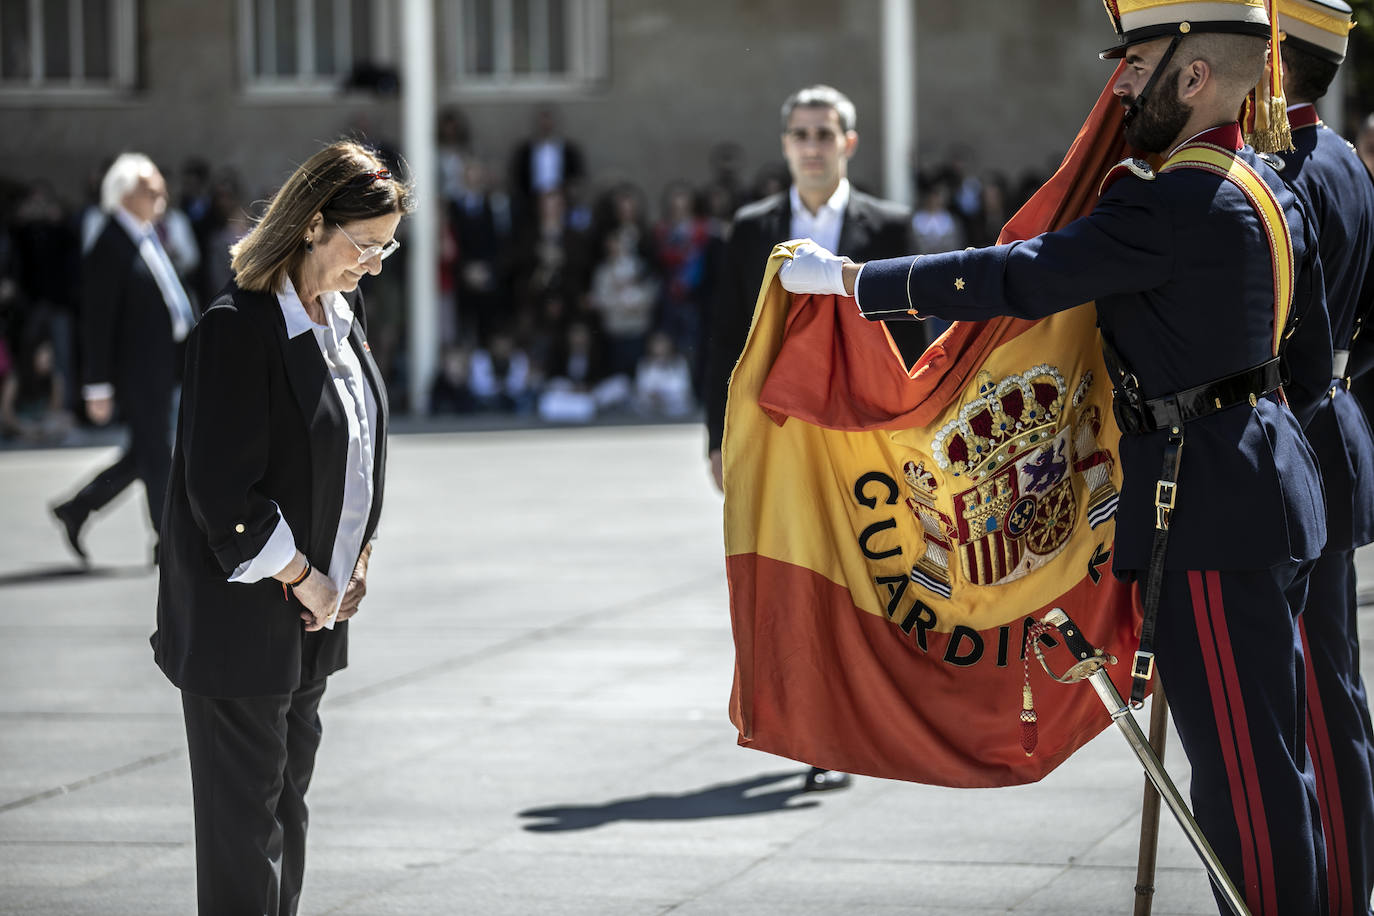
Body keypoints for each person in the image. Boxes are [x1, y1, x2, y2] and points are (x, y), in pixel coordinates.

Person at [781, 5, 1331, 912]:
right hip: (1266, 480)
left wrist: (850, 281)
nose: (1118, 83)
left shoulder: (1169, 198)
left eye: (1139, 64)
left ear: (1191, 79)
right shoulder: (1263, 181)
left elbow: (1019, 275)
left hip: (1209, 506)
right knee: (1274, 760)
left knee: (1244, 778)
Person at [152, 140, 412, 916]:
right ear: (311, 226)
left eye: (387, 248)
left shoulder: (342, 308)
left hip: (313, 615)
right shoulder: (237, 327)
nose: (373, 265)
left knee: (285, 814)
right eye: (365, 246)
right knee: (243, 831)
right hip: (244, 619)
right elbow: (220, 489)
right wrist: (305, 575)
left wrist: (359, 555)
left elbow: (357, 447)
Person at [705, 84, 921, 794]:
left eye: (825, 133)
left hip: (862, 439)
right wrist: (717, 436)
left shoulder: (890, 228)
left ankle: (868, 716)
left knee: (867, 579)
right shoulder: (748, 229)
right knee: (796, 579)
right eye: (801, 133)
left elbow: (913, 336)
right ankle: (815, 727)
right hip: (780, 441)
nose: (813, 146)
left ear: (848, 143)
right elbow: (724, 341)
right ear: (786, 144)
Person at [1275, 2, 1374, 911]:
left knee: (1313, 698)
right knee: (1332, 686)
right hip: (1332, 425)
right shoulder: (1345, 160)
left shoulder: (1279, 173)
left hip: (1288, 443)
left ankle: (1339, 893)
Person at [52, 153, 195, 563]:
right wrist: (96, 387)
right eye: (152, 190)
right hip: (137, 371)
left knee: (147, 452)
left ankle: (77, 508)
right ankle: (167, 540)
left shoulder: (146, 235)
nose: (162, 195)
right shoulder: (109, 245)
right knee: (156, 452)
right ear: (126, 194)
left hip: (165, 363)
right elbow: (96, 324)